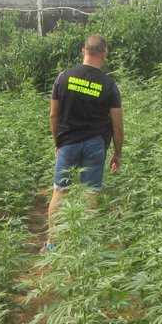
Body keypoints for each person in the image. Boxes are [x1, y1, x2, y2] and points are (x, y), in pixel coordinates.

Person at [40, 34, 124, 253]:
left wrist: (58, 142)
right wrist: (117, 153)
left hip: (68, 143)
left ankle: (52, 242)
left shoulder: (64, 77)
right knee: (89, 193)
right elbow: (117, 125)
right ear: (104, 55)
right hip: (95, 145)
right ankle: (84, 247)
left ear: (83, 51)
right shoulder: (109, 85)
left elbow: (53, 115)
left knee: (60, 191)